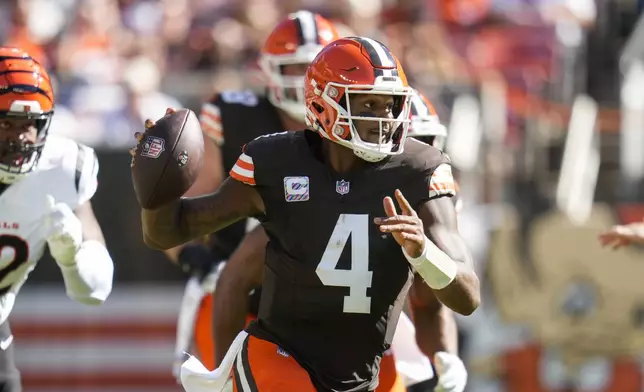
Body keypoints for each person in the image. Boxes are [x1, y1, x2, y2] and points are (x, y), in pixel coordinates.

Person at [137, 36, 480, 392]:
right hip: (278, 353)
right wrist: (155, 189)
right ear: (323, 103)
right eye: (368, 103)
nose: (383, 118)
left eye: (391, 105)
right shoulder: (277, 163)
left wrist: (424, 254)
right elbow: (171, 231)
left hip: (361, 369)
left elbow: (467, 296)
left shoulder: (420, 170)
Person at [212, 88, 468, 392]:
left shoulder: (430, 195)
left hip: (368, 347)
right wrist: (224, 371)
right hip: (290, 352)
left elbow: (430, 300)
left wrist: (446, 354)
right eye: (414, 144)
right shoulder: (315, 205)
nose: (420, 158)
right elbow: (234, 281)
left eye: (427, 144)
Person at [166, 10, 341, 377]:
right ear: (270, 71)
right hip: (238, 297)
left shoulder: (349, 127)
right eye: (296, 67)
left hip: (327, 299)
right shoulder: (233, 115)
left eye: (316, 65)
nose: (308, 78)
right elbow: (186, 210)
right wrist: (191, 254)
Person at [0, 46, 114, 391]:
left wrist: (72, 258)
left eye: (29, 124)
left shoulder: (63, 168)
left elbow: (95, 291)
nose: (20, 138)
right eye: (6, 123)